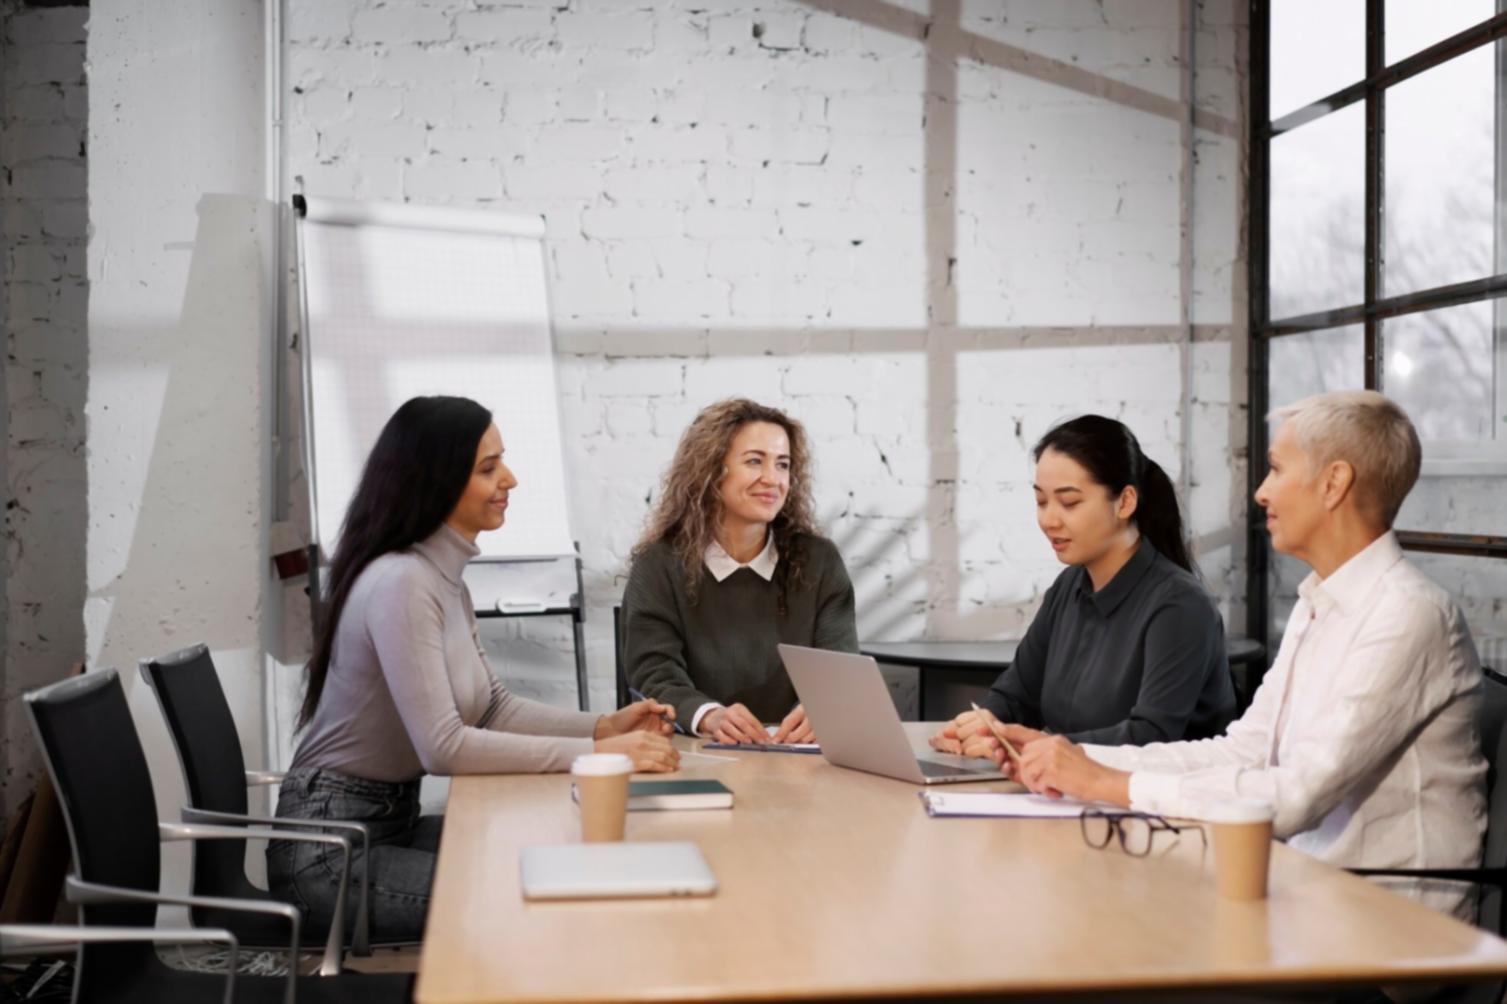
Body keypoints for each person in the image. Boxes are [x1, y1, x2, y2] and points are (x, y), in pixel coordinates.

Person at [973, 391, 1486, 919]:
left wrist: (1108, 782)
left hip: (1384, 926)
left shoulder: (1406, 614)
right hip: (1297, 888)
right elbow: (1243, 751)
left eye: (1276, 469)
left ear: (1333, 484)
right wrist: (1074, 759)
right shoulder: (1320, 604)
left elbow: (1293, 798)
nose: (1261, 492)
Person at [269, 396, 679, 942]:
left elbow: (491, 707)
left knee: (553, 858)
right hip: (329, 853)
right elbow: (444, 748)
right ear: (434, 481)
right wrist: (598, 755)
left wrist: (603, 726)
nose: (509, 478)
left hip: (385, 824)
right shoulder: (402, 583)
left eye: (501, 461)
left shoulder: (442, 580)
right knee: (533, 893)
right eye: (488, 468)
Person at [932, 415, 1234, 755]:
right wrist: (984, 725)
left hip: (1160, 801)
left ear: (1125, 502)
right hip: (1071, 793)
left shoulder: (1180, 605)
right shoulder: (1069, 587)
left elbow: (1152, 737)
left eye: (1070, 502)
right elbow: (1018, 696)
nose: (1048, 520)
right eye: (1041, 501)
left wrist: (1044, 747)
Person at [623, 398, 858, 745]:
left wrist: (821, 709)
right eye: (754, 462)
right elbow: (654, 675)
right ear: (711, 470)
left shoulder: (819, 561)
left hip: (802, 759)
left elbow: (839, 671)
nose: (772, 479)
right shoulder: (657, 565)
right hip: (697, 755)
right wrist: (709, 716)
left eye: (782, 465)